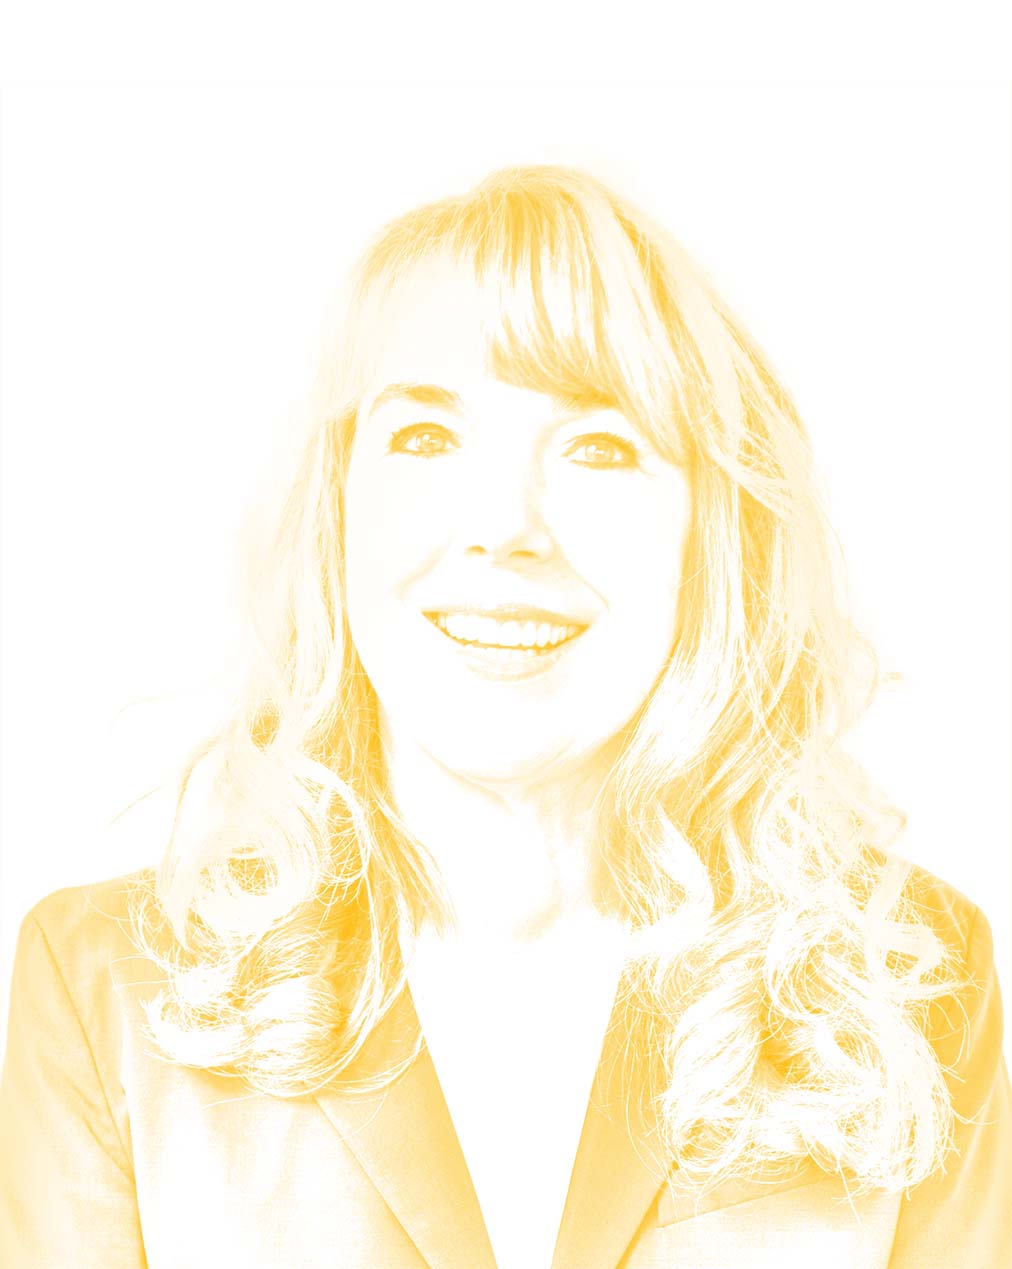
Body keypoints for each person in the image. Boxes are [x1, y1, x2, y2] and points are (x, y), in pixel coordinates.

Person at [1, 165, 1008, 1268]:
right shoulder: (101, 988)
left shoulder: (906, 981)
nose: (502, 527)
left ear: (710, 537)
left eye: (598, 448)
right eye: (426, 438)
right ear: (337, 512)